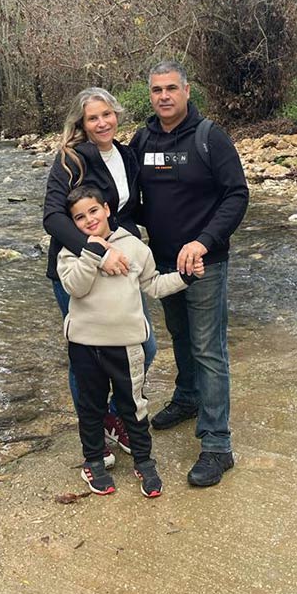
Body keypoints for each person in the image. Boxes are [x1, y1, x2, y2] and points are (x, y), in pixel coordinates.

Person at [130, 59, 249, 487]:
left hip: (204, 263)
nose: (164, 96)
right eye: (156, 90)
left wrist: (203, 241)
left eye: (171, 88)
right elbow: (129, 198)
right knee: (180, 336)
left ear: (186, 91)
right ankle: (187, 397)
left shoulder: (209, 137)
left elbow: (236, 195)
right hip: (163, 263)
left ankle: (218, 445)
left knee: (208, 349)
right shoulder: (142, 140)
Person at [57, 185, 203, 497]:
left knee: (133, 405)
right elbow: (76, 287)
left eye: (93, 211)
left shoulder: (135, 247)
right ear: (73, 223)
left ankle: (144, 460)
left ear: (107, 209)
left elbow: (154, 285)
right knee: (90, 406)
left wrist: (186, 277)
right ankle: (93, 461)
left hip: (126, 345)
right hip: (84, 345)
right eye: (80, 217)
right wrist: (94, 252)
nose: (89, 220)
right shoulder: (70, 251)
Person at [43, 87, 157, 465]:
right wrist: (97, 251)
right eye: (93, 118)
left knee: (144, 346)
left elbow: (131, 211)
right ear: (82, 123)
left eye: (107, 114)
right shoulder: (71, 158)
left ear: (116, 115)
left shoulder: (126, 154)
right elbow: (53, 217)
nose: (102, 122)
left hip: (121, 267)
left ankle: (112, 415)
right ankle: (95, 433)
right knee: (87, 358)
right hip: (79, 267)